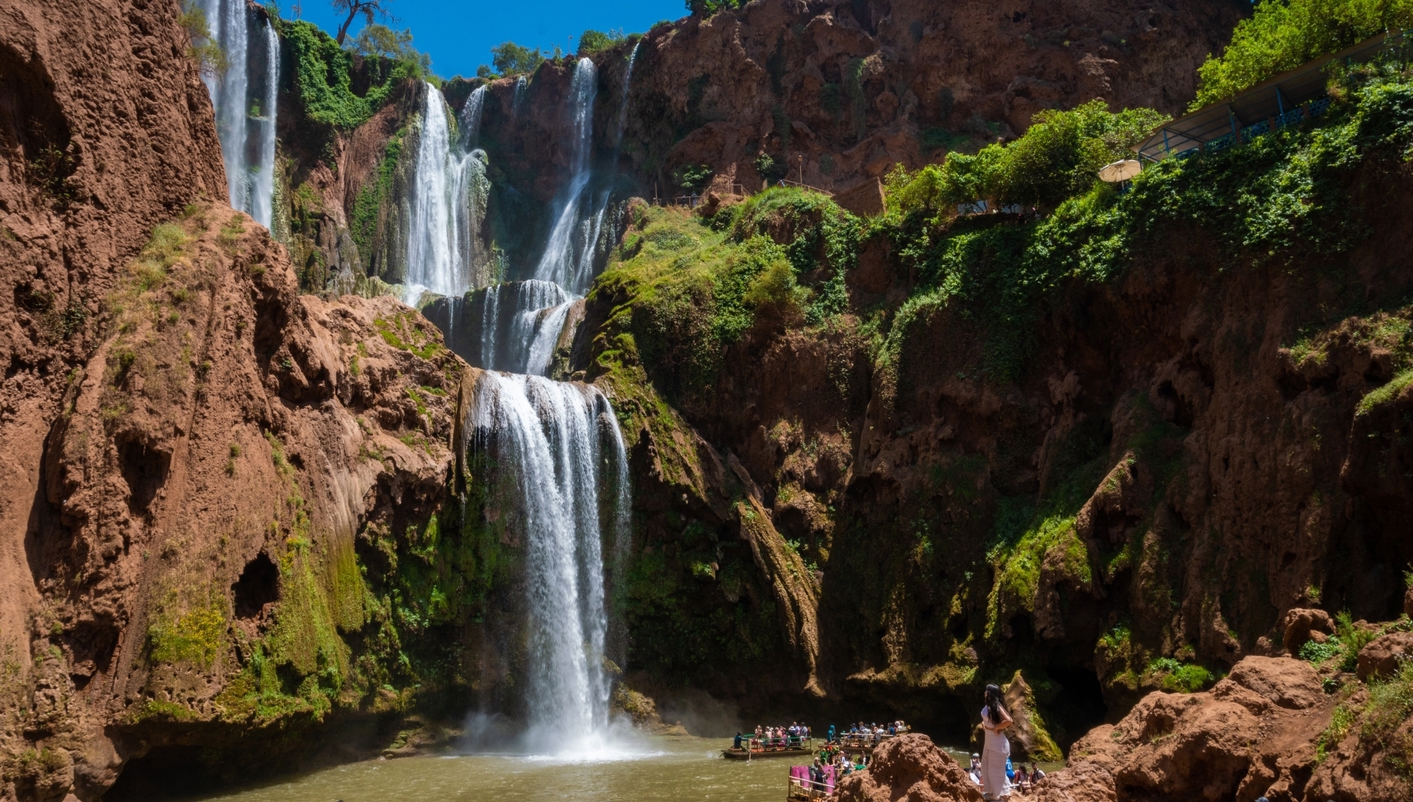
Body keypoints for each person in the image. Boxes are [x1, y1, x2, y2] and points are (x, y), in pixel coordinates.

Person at [980, 684, 1014, 800]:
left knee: (996, 769)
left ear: (990, 693)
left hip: (997, 742)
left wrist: (996, 728)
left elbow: (1009, 720)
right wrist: (985, 725)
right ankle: (990, 793)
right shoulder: (988, 705)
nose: (985, 692)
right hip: (988, 740)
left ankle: (1002, 795)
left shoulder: (997, 706)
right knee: (986, 767)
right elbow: (986, 718)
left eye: (987, 691)